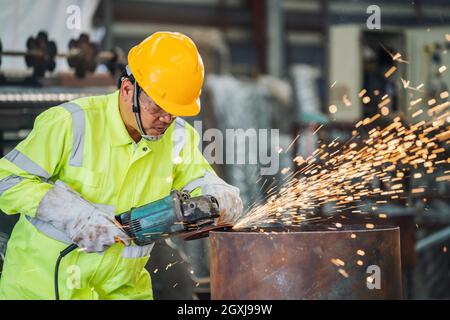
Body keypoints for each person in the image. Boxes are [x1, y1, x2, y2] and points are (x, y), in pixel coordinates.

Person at [0, 31, 243, 299]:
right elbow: (6, 180)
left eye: (174, 112)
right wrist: (70, 213)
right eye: (159, 107)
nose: (166, 118)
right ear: (128, 89)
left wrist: (219, 198)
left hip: (123, 291)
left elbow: (200, 180)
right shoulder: (71, 123)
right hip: (44, 289)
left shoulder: (178, 137)